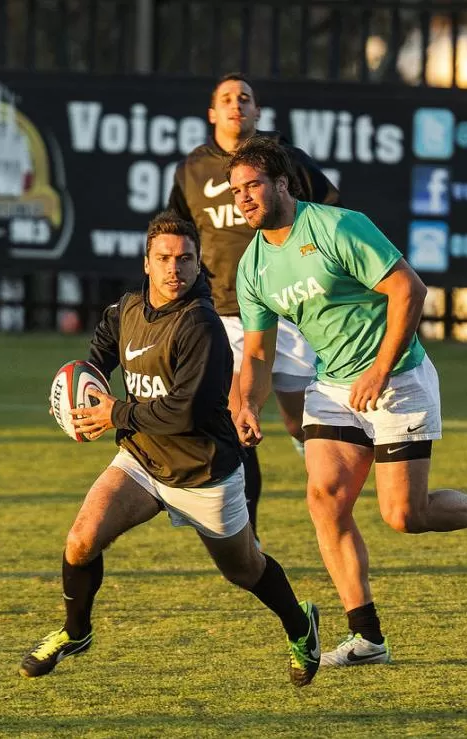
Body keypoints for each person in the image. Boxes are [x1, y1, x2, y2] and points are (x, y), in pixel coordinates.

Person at [227, 136, 467, 667]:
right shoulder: (252, 266)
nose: (243, 198)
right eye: (235, 190)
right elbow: (257, 354)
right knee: (325, 500)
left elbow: (409, 290)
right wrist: (245, 403)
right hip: (333, 387)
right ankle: (367, 638)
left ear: (282, 183)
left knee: (404, 515)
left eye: (253, 185)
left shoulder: (336, 226)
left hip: (398, 376)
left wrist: (379, 368)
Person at [19, 210, 321, 687]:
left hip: (203, 471)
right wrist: (80, 383)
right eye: (164, 258)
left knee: (245, 569)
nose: (174, 269)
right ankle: (75, 632)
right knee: (81, 538)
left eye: (185, 259)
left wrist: (113, 413)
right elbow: (99, 352)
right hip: (140, 458)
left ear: (200, 265)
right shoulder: (126, 311)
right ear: (146, 263)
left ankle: (300, 625)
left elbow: (184, 413)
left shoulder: (200, 326)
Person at [168, 72, 339, 543]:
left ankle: (328, 482)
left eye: (245, 98)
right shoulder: (193, 169)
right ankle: (252, 537)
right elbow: (177, 234)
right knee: (239, 415)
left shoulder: (283, 159)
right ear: (212, 113)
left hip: (288, 308)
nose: (236, 105)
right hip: (225, 311)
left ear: (257, 111)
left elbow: (332, 211)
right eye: (226, 99)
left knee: (297, 420)